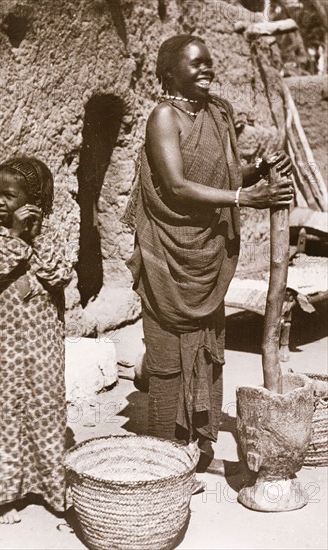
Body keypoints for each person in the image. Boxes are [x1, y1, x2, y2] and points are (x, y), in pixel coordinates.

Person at [125, 35, 293, 471]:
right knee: (166, 363)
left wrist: (257, 170)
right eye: (196, 64)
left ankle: (198, 452)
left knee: (206, 353)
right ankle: (163, 462)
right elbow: (178, 184)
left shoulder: (216, 113)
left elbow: (217, 171)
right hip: (170, 254)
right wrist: (245, 197)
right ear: (170, 71)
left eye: (210, 63)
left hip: (206, 258)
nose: (207, 70)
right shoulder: (164, 117)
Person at [0, 157, 73, 523]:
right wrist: (16, 238)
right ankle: (1, 497)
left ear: (33, 199)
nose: (0, 201)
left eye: (10, 195)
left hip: (41, 343)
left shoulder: (50, 234)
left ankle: (49, 488)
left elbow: (60, 275)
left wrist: (33, 237)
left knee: (44, 409)